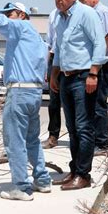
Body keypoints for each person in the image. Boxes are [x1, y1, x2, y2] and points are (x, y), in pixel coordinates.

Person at [0, 2, 51, 201]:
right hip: (34, 93)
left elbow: (2, 22)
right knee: (31, 139)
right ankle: (42, 180)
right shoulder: (37, 39)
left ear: (21, 14)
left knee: (14, 140)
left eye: (10, 13)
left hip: (20, 93)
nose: (7, 17)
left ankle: (21, 187)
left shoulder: (21, 27)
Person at [49, 0, 107, 190]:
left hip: (84, 77)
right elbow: (59, 47)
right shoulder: (60, 18)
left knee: (84, 127)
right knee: (72, 128)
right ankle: (74, 170)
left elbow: (100, 43)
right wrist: (55, 74)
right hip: (66, 77)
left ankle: (83, 175)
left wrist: (93, 74)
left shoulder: (86, 14)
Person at [79, 0, 108, 157]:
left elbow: (107, 39)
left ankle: (102, 143)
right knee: (92, 103)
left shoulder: (103, 12)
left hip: (104, 63)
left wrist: (97, 64)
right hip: (97, 62)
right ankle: (95, 139)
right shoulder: (91, 13)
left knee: (98, 104)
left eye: (83, 0)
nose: (81, 3)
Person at [42, 8, 62, 149]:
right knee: (54, 102)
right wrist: (46, 68)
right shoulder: (53, 14)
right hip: (55, 59)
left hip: (72, 60)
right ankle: (53, 136)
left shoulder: (81, 14)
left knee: (75, 104)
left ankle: (79, 138)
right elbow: (49, 43)